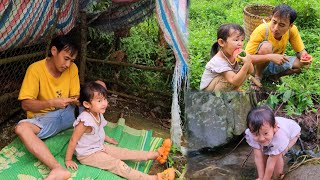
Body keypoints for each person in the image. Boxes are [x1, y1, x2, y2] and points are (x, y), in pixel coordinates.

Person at [64, 81, 175, 180]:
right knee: (117, 164)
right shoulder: (85, 121)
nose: (104, 103)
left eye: (105, 99)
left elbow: (98, 130)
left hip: (98, 147)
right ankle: (154, 178)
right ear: (87, 104)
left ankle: (156, 155)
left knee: (124, 152)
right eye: (99, 101)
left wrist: (108, 139)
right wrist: (68, 160)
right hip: (88, 155)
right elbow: (73, 140)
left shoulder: (97, 113)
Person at [15, 35, 80, 179]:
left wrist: (81, 100)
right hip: (44, 119)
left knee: (98, 90)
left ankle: (100, 138)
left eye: (72, 60)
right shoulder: (35, 70)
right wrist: (51, 103)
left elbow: (75, 97)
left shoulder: (72, 69)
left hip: (67, 113)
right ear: (54, 50)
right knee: (21, 128)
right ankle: (57, 168)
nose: (68, 65)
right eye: (66, 58)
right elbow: (25, 104)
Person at [245, 4, 312, 89]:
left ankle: (274, 77)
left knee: (300, 65)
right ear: (271, 18)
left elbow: (300, 51)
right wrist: (269, 57)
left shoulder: (292, 30)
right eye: (274, 22)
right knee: (266, 47)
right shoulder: (262, 30)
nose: (276, 28)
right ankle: (258, 76)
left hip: (277, 61)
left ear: (290, 26)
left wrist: (305, 58)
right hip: (256, 65)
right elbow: (245, 59)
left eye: (282, 25)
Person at [245, 106, 301, 180]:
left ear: (275, 127)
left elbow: (271, 164)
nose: (261, 138)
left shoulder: (279, 137)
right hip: (271, 128)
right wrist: (261, 177)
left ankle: (278, 177)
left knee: (277, 156)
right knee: (264, 154)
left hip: (292, 134)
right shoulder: (254, 131)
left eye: (265, 133)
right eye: (256, 134)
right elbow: (258, 157)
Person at [200, 23, 254, 92]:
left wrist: (248, 61)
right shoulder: (218, 61)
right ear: (222, 42)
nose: (240, 44)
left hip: (229, 82)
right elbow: (234, 80)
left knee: (244, 71)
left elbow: (251, 71)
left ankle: (234, 90)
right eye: (236, 40)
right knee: (227, 79)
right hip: (208, 91)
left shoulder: (235, 55)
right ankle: (217, 100)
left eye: (242, 40)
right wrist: (246, 65)